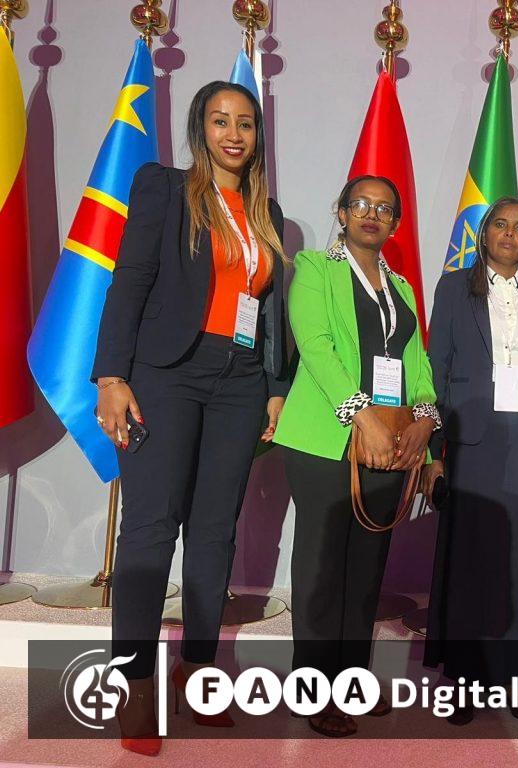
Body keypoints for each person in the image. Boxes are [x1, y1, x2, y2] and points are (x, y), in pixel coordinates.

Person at [91, 81, 289, 756]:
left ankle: (199, 671)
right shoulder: (165, 188)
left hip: (239, 382)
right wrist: (112, 376)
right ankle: (134, 683)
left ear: (257, 135)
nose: (234, 134)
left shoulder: (266, 212)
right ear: (200, 128)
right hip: (167, 372)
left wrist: (273, 386)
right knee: (151, 529)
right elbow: (130, 279)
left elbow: (267, 310)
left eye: (245, 123)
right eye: (220, 121)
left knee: (213, 533)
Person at [272, 175, 440, 738]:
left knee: (366, 570)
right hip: (326, 439)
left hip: (390, 443)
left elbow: (417, 362)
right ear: (340, 212)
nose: (372, 214)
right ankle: (312, 688)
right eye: (361, 204)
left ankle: (350, 680)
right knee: (322, 568)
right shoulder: (314, 269)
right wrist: (361, 416)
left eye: (384, 209)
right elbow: (316, 347)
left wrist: (425, 420)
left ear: (395, 223)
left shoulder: (403, 288)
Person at [422, 198, 518, 724]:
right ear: (485, 234)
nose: (509, 234)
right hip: (471, 434)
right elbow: (438, 366)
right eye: (500, 224)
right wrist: (435, 449)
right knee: (471, 558)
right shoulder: (455, 287)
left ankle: (512, 680)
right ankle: (464, 681)